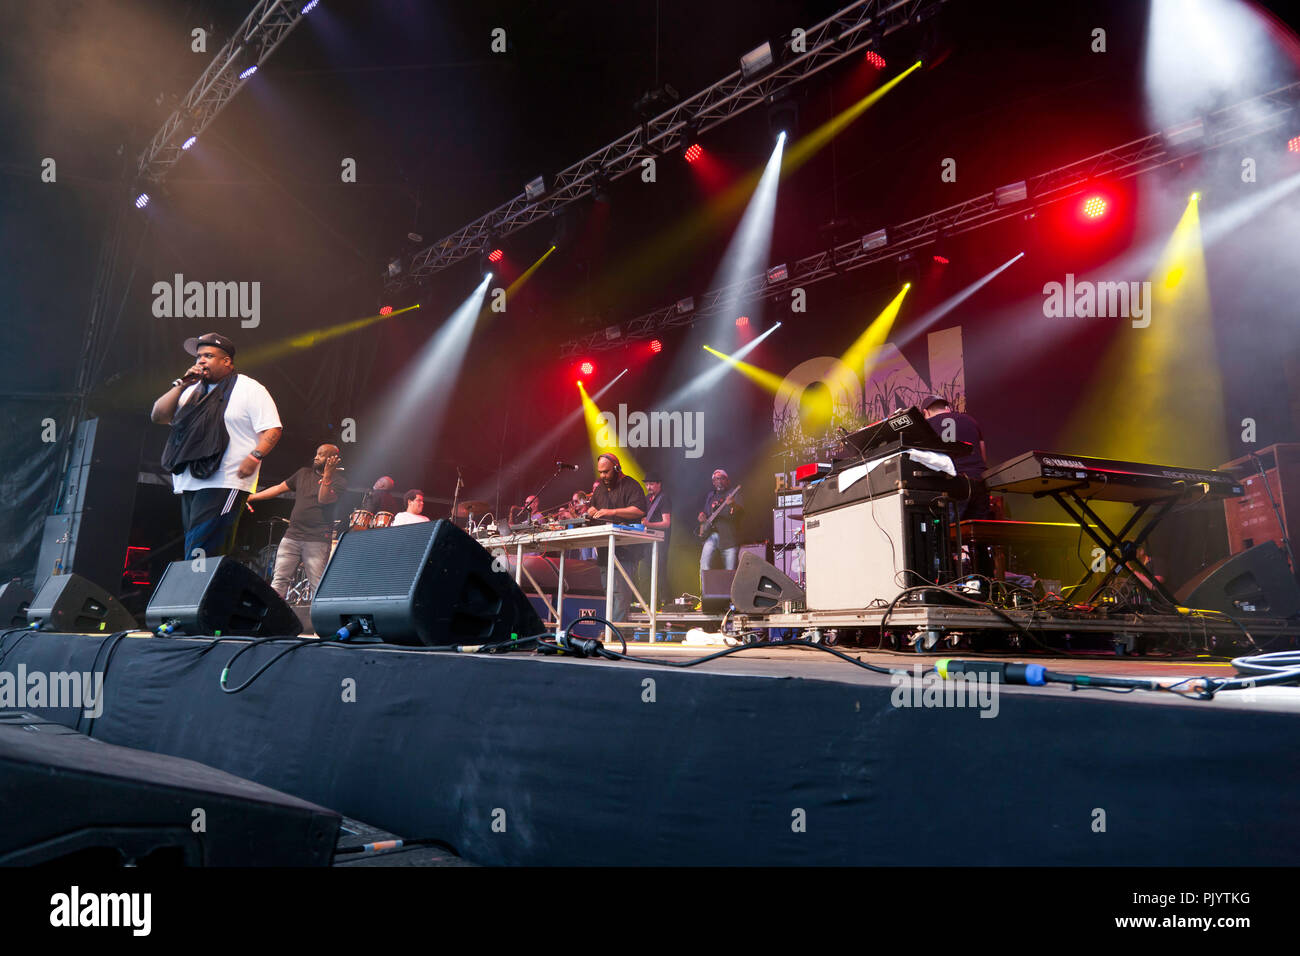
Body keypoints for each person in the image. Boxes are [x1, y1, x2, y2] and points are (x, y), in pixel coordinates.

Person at [151, 332, 281, 560]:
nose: (200, 360)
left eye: (208, 355)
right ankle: (214, 593)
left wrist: (255, 456)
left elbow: (272, 429)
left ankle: (195, 593)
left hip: (226, 478)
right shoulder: (190, 391)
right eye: (198, 356)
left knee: (202, 548)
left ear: (227, 361)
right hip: (189, 481)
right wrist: (181, 384)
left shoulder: (250, 389)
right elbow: (158, 416)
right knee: (201, 547)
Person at [246, 444, 346, 599]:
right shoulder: (303, 473)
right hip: (292, 535)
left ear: (332, 458)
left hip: (316, 539)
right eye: (316, 453)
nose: (316, 457)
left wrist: (327, 476)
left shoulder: (339, 481)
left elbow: (324, 499)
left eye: (321, 454)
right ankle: (271, 618)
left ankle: (318, 621)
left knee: (317, 584)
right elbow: (279, 488)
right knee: (279, 580)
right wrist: (252, 497)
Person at [585, 453, 647, 625]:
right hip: (605, 549)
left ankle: (617, 632)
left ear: (617, 468)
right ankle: (610, 629)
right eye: (600, 472)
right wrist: (591, 511)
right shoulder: (600, 489)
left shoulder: (631, 485)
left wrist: (611, 512)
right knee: (608, 590)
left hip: (626, 550)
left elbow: (639, 510)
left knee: (620, 591)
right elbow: (594, 508)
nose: (603, 476)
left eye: (606, 472)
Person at [920, 395, 989, 521]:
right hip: (980, 482)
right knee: (979, 533)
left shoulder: (927, 425)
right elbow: (983, 456)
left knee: (948, 534)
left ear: (926, 412)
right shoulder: (971, 420)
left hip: (953, 484)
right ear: (947, 408)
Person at [698, 468, 743, 595]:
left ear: (727, 480)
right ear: (713, 482)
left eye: (722, 478)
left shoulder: (734, 494)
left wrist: (732, 505)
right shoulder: (710, 496)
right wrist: (702, 517)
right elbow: (706, 514)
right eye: (716, 479)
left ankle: (732, 600)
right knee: (704, 564)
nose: (719, 481)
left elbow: (740, 514)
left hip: (729, 537)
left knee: (731, 570)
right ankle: (705, 597)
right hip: (712, 535)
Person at [639, 475, 673, 607]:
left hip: (660, 542)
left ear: (659, 484)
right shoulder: (647, 499)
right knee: (644, 573)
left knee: (659, 572)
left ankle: (663, 602)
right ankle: (647, 602)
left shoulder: (664, 499)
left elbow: (666, 523)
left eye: (651, 484)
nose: (648, 487)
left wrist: (648, 524)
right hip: (647, 542)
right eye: (647, 485)